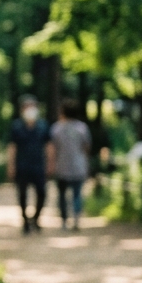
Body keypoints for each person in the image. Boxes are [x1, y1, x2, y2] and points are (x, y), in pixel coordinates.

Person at [7, 95, 54, 234]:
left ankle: (36, 218)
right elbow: (12, 147)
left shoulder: (43, 125)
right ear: (22, 109)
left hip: (39, 165)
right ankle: (25, 221)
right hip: (22, 166)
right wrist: (11, 165)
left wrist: (51, 163)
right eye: (27, 107)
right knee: (22, 194)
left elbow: (49, 145)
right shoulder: (16, 126)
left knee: (42, 193)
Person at [50, 98, 92, 230]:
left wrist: (51, 165)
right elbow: (86, 147)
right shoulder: (82, 128)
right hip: (79, 166)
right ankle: (76, 219)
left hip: (61, 167)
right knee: (77, 194)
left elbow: (52, 149)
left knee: (62, 195)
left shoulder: (56, 128)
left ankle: (64, 221)